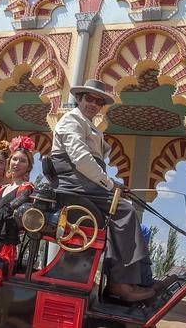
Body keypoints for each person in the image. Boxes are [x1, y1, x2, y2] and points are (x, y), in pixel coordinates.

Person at [51, 79, 168, 302]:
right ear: (79, 99)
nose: (94, 104)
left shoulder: (86, 124)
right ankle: (120, 283)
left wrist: (110, 183)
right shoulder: (71, 121)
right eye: (90, 99)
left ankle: (141, 278)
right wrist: (109, 184)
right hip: (75, 185)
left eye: (99, 101)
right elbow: (81, 159)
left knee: (126, 215)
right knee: (124, 211)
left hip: (86, 184)